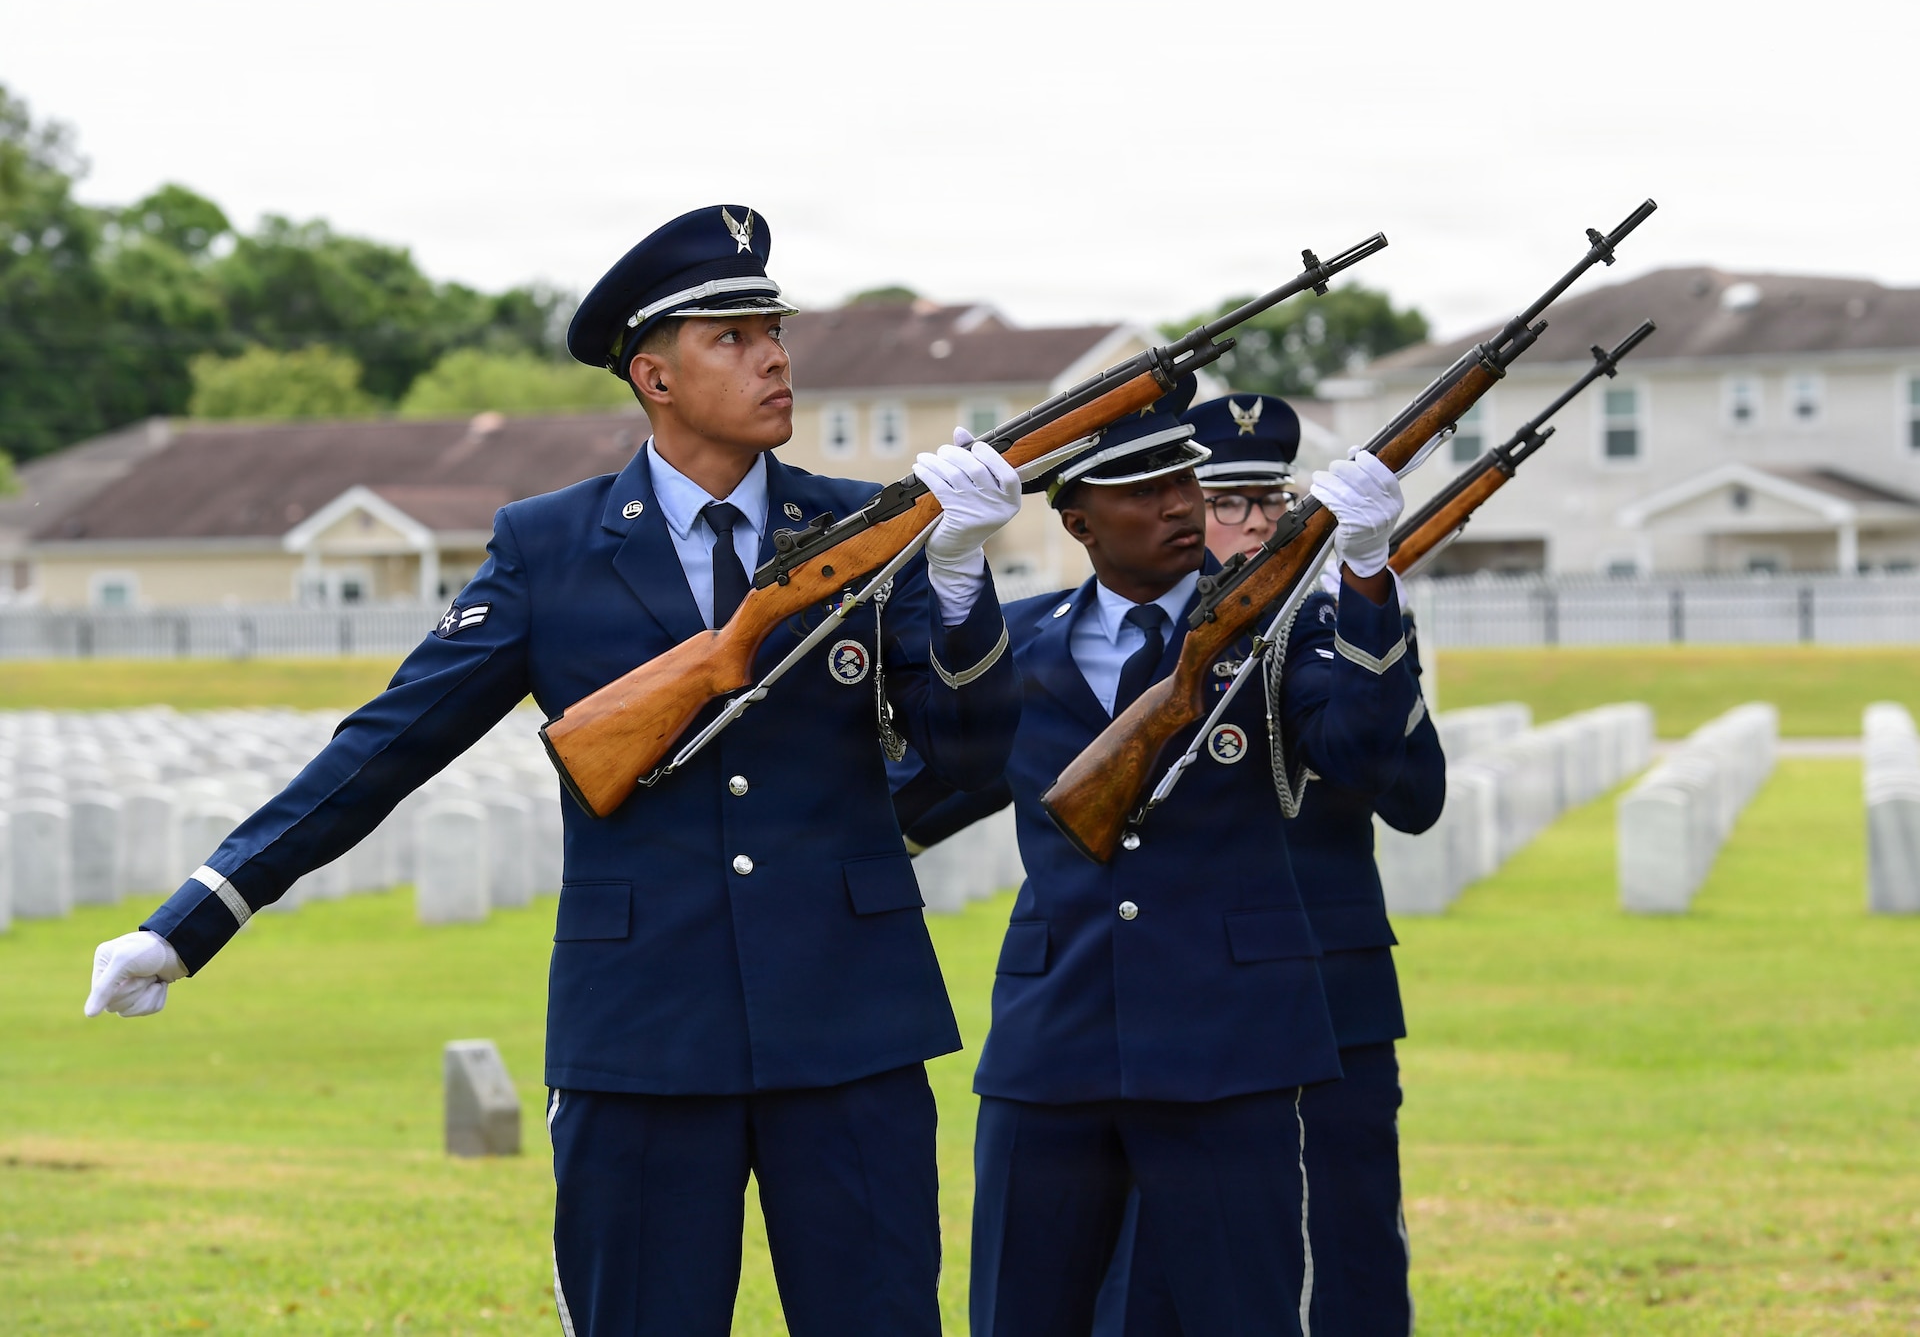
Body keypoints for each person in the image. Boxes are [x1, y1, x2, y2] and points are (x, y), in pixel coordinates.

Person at [82, 205, 1027, 1337]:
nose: (774, 355)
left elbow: (971, 756)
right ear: (653, 376)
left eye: (772, 328)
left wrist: (962, 576)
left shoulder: (865, 531)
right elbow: (388, 744)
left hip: (848, 1024)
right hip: (641, 1035)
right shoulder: (550, 544)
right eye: (731, 336)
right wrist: (195, 916)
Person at [903, 377, 1421, 1336]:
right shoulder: (1013, 641)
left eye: (1182, 478)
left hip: (1233, 1044)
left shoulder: (1287, 629)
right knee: (1023, 1313)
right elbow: (933, 771)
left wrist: (1365, 575)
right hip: (1052, 1044)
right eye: (1140, 488)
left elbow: (1367, 753)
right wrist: (954, 575)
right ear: (1077, 519)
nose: (1179, 503)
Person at [1089, 393, 1446, 1337]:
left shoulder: (1342, 626)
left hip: (1332, 986)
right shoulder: (1133, 643)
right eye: (1221, 499)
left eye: (1268, 499)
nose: (1248, 521)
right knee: (1155, 1262)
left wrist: (1370, 604)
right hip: (1181, 990)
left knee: (1351, 1245)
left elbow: (1414, 798)